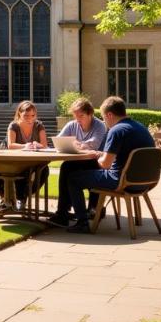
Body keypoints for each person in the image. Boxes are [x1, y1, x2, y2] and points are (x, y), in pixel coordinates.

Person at [63, 96, 155, 233]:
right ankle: (93, 210)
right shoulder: (141, 127)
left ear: (110, 115)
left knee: (73, 178)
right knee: (83, 172)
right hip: (145, 182)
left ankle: (82, 222)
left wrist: (98, 156)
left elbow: (105, 164)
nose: (104, 121)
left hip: (120, 181)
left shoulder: (117, 131)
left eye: (103, 117)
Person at [47, 97, 107, 227]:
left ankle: (90, 208)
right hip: (77, 161)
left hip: (96, 164)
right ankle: (63, 212)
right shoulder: (72, 125)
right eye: (75, 116)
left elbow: (94, 144)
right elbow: (58, 141)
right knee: (66, 167)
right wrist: (74, 144)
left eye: (81, 116)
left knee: (68, 168)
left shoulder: (99, 125)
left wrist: (77, 144)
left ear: (90, 114)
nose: (78, 119)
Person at [4, 100, 49, 210]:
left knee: (44, 170)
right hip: (16, 160)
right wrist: (25, 146)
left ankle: (25, 195)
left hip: (33, 160)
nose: (30, 118)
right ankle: (20, 199)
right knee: (23, 169)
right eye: (26, 115)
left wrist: (38, 145)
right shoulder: (14, 125)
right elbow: (11, 145)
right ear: (19, 113)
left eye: (33, 115)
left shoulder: (39, 125)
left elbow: (45, 145)